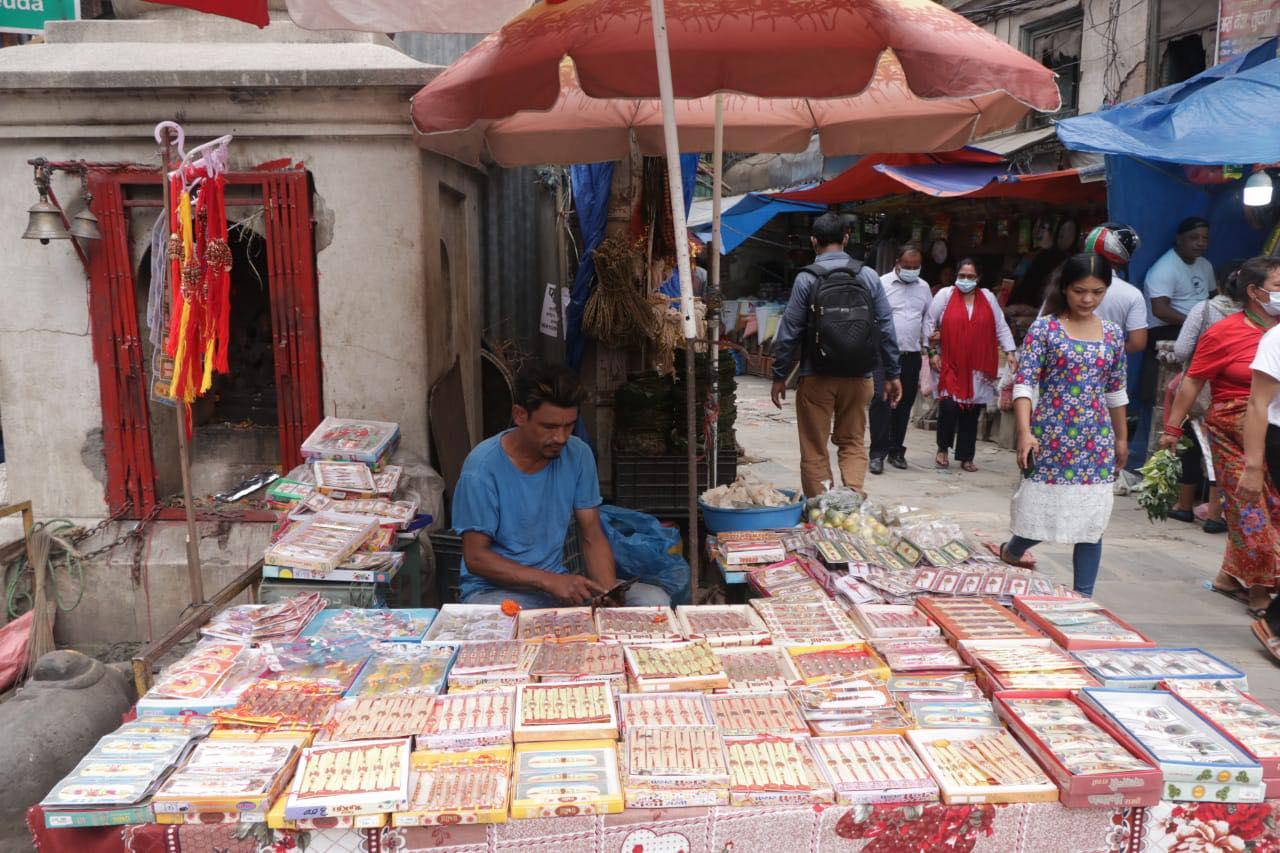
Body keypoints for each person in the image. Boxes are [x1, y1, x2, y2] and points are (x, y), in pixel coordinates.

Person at [453, 363, 671, 608]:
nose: (561, 437)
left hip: (556, 586)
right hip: (494, 592)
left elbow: (592, 535)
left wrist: (608, 593)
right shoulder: (481, 469)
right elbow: (476, 557)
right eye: (549, 427)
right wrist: (549, 581)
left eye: (569, 426)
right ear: (520, 415)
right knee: (511, 621)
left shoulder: (578, 454)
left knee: (654, 600)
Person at [998, 254, 1128, 596]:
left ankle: (1084, 597)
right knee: (1042, 514)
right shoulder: (1045, 329)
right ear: (1065, 289)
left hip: (1096, 440)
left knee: (1091, 522)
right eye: (1079, 291)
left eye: (1097, 292)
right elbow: (1025, 384)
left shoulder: (1113, 334)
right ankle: (1012, 550)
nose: (1088, 299)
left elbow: (1116, 390)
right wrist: (1024, 433)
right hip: (1050, 438)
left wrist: (1121, 438)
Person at [1159, 258, 1280, 618]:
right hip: (1231, 431)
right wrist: (1172, 429)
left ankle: (1229, 576)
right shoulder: (1225, 331)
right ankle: (1259, 589)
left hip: (1274, 433)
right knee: (1251, 509)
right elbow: (1192, 380)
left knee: (1272, 508)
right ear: (1255, 292)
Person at [771, 212, 902, 497]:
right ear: (846, 238)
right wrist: (893, 373)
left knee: (814, 446)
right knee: (853, 440)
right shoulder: (868, 276)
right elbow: (886, 327)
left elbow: (789, 331)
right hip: (860, 376)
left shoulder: (806, 278)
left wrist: (779, 375)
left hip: (816, 376)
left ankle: (821, 509)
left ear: (813, 241)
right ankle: (851, 503)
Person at [1165, 263, 1246, 533]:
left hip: (1200, 391)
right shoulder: (1255, 317)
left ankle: (1185, 504)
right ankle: (1215, 513)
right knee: (1221, 452)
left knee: (1191, 447)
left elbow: (1181, 350)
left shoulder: (1205, 309)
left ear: (1219, 285)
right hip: (1234, 397)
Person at [923, 258, 1017, 472]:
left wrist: (1010, 351)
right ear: (956, 276)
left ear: (978, 278)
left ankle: (966, 456)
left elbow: (1000, 326)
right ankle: (942, 449)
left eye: (970, 276)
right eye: (962, 276)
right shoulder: (945, 295)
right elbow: (929, 322)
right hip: (949, 362)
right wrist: (931, 352)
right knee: (949, 407)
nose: (965, 280)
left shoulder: (988, 297)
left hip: (977, 365)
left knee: (971, 411)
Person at [869, 244, 931, 474]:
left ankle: (896, 450)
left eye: (916, 267)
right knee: (881, 401)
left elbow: (928, 318)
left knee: (904, 404)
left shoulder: (924, 287)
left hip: (911, 355)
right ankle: (877, 453)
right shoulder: (881, 284)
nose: (911, 271)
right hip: (884, 355)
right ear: (897, 263)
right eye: (907, 266)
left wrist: (929, 345)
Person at [1146, 217, 1214, 330]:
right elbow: (1160, 310)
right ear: (1179, 239)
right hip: (1167, 328)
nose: (1201, 243)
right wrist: (1195, 323)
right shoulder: (1165, 268)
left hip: (1200, 324)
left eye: (1205, 238)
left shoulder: (1205, 264)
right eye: (1194, 238)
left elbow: (1214, 296)